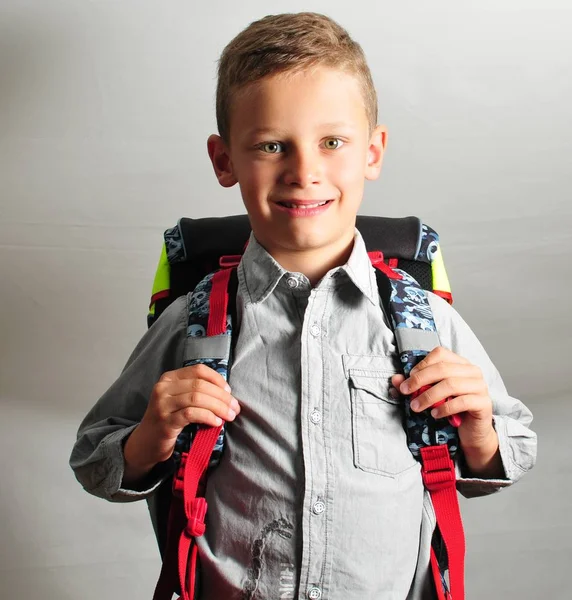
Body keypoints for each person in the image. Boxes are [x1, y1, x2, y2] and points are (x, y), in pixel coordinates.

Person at [70, 12, 537, 599]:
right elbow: (96, 461)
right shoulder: (194, 323)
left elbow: (512, 447)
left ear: (373, 151)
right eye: (271, 145)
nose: (304, 171)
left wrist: (479, 432)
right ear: (224, 161)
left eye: (332, 142)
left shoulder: (423, 323)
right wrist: (151, 437)